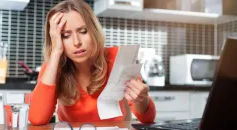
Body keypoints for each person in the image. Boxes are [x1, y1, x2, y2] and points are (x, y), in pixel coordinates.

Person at [28, 0, 156, 125]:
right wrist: (56, 51)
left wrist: (142, 99)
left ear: (93, 31)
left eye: (83, 31)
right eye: (65, 36)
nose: (76, 42)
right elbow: (37, 119)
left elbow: (148, 119)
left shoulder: (117, 58)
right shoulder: (53, 67)